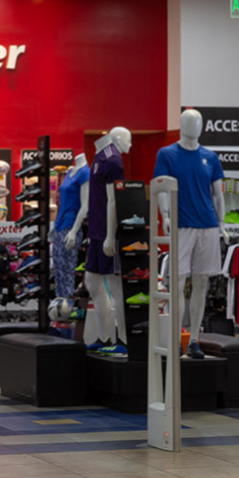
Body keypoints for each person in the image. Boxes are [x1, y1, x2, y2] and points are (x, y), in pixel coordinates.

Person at [154, 108, 227, 359]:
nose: (194, 126)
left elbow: (218, 195)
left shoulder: (211, 157)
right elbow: (161, 188)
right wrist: (165, 215)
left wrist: (222, 223)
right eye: (189, 122)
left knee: (201, 282)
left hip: (208, 225)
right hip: (181, 225)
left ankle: (194, 340)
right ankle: (176, 339)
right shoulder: (167, 154)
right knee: (178, 282)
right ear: (182, 125)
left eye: (198, 122)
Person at [68, 126, 131, 357]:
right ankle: (104, 337)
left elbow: (115, 200)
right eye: (128, 140)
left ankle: (123, 340)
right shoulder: (102, 157)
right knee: (92, 281)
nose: (130, 145)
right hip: (97, 232)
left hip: (106, 232)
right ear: (117, 139)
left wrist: (110, 235)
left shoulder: (113, 160)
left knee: (116, 286)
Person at [52, 154, 89, 299]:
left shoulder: (85, 173)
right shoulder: (70, 171)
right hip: (60, 225)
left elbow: (85, 205)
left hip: (71, 226)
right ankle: (61, 304)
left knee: (68, 271)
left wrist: (74, 231)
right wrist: (54, 227)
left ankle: (68, 304)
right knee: (59, 270)